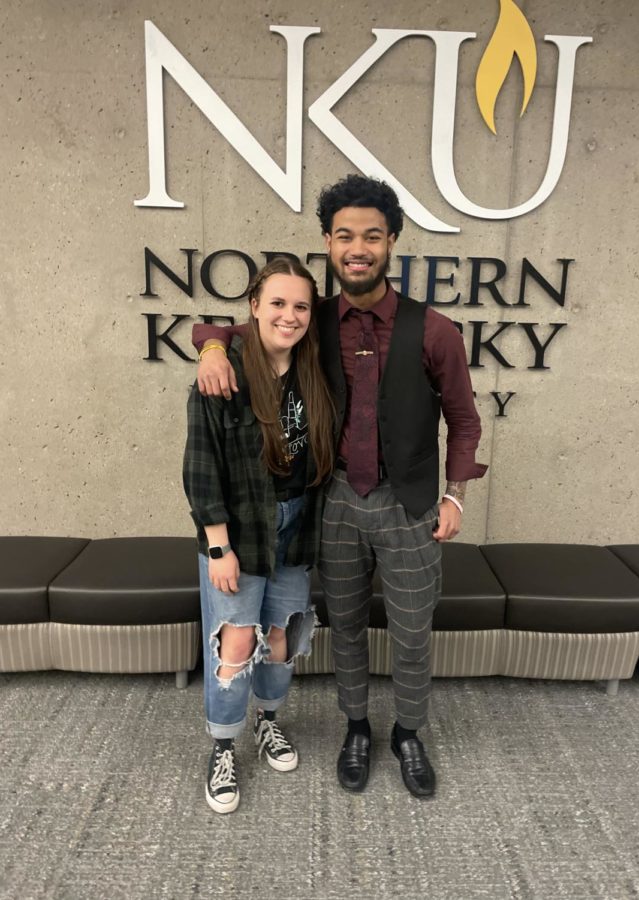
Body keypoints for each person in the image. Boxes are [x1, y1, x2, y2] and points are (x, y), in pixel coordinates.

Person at [193, 174, 487, 800]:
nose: (359, 247)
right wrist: (211, 349)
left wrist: (456, 494)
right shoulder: (308, 318)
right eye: (345, 235)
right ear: (328, 242)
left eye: (372, 236)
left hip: (409, 508)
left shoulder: (435, 331)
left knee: (411, 633)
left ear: (392, 243)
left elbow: (463, 421)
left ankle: (408, 733)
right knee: (346, 628)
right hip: (332, 508)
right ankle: (356, 727)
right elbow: (228, 332)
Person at [183, 258, 334, 814]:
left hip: (296, 526)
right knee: (234, 643)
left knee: (282, 636)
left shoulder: (318, 372)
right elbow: (201, 467)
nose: (289, 316)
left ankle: (269, 722)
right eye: (277, 303)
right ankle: (223, 745)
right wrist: (218, 546)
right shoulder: (221, 376)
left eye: (300, 306)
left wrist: (211, 340)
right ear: (253, 306)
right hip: (239, 530)